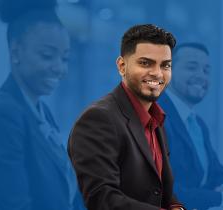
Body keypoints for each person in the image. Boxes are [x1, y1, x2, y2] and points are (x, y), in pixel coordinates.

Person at [0, 0, 85, 209]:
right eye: (47, 56)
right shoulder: (2, 115)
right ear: (15, 52)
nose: (59, 68)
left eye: (65, 58)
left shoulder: (41, 112)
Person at [68, 24, 186, 210]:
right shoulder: (98, 119)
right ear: (122, 66)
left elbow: (159, 190)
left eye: (165, 65)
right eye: (146, 63)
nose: (157, 73)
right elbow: (101, 199)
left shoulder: (157, 120)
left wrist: (177, 207)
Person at [158, 42, 223, 210]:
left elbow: (218, 173)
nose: (201, 76)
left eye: (206, 70)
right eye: (192, 68)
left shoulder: (197, 123)